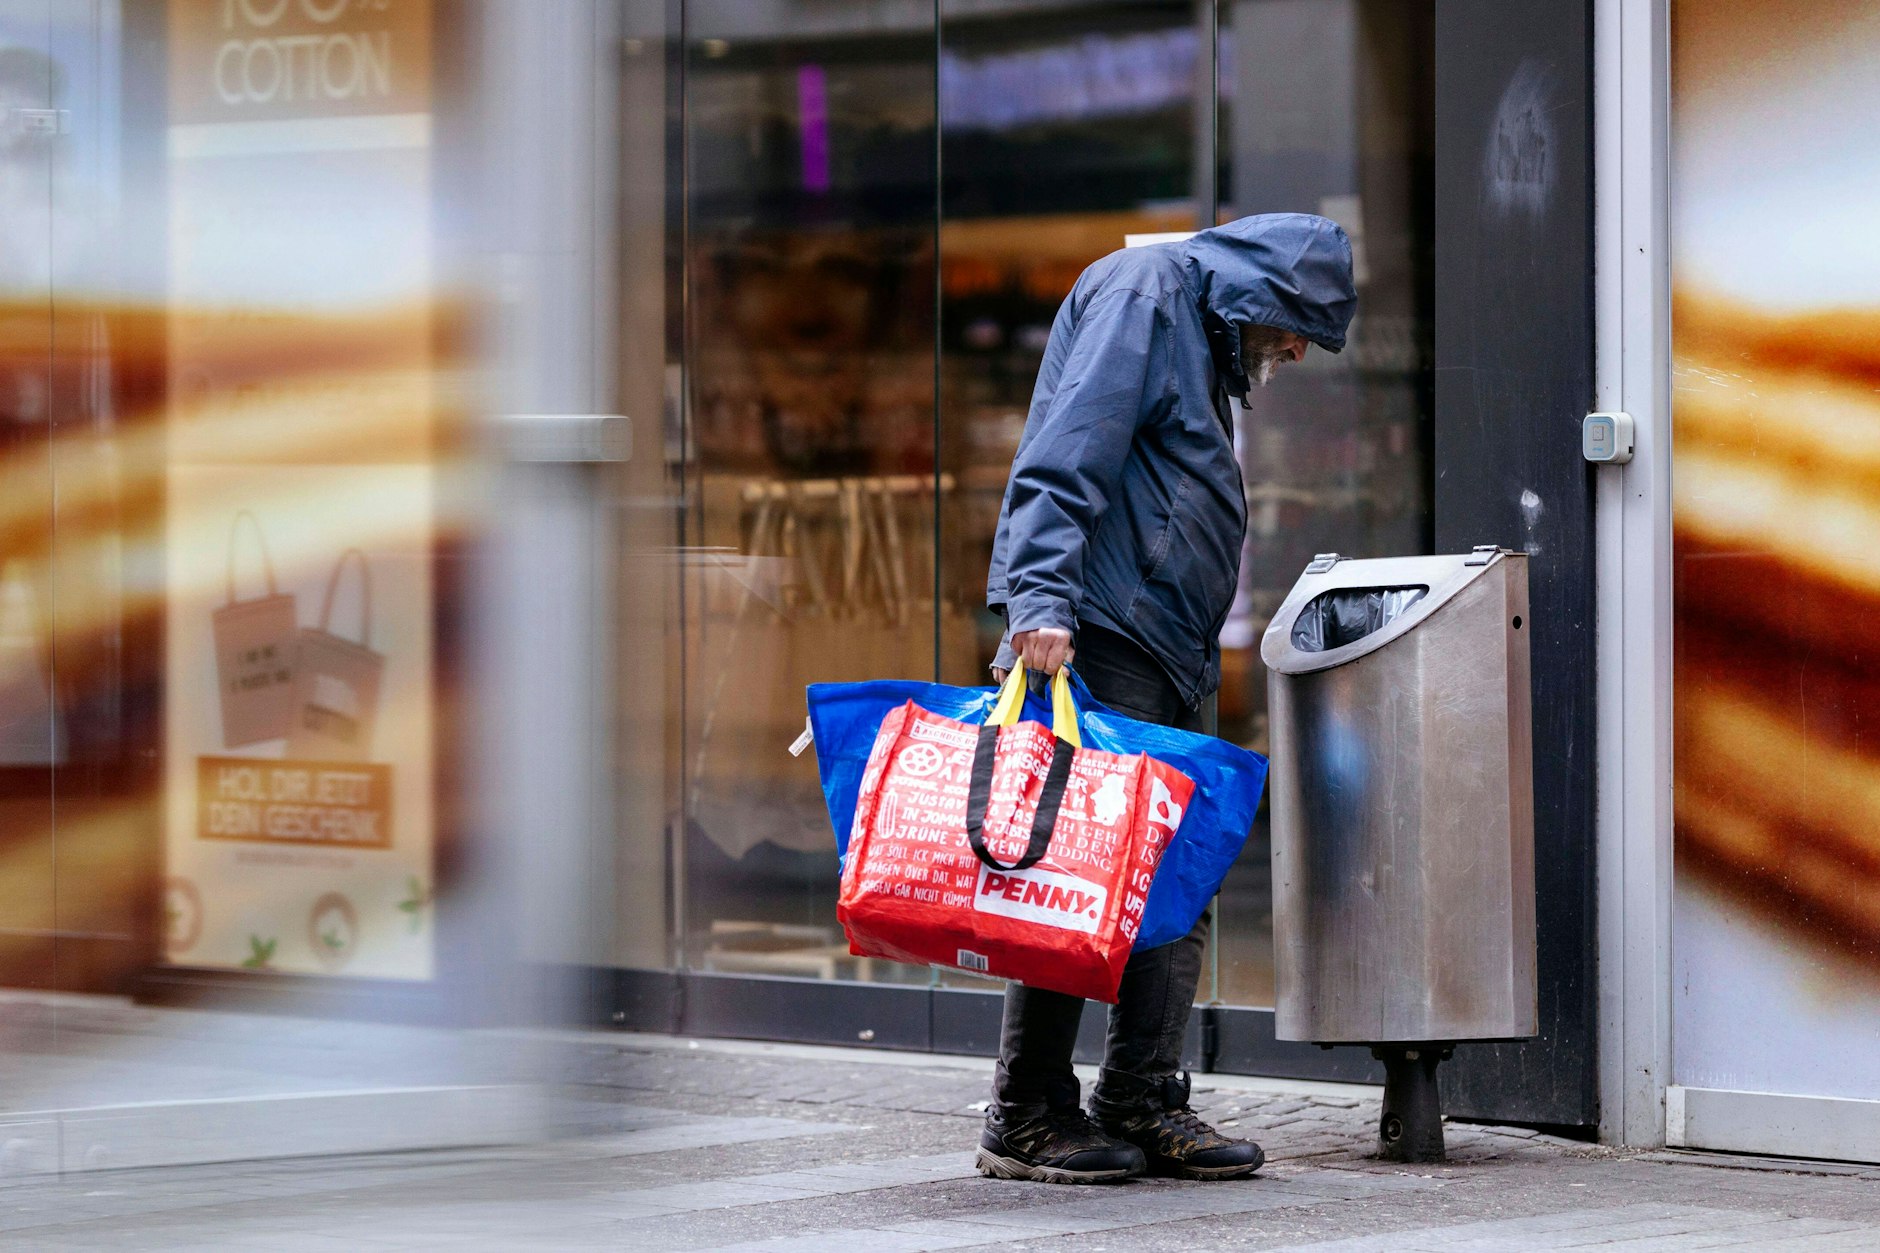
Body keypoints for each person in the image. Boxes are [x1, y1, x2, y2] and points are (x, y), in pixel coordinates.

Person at [976, 213, 1357, 1184]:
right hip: (1101, 630)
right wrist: (1039, 597)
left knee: (1171, 878)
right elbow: (1065, 450)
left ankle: (1140, 1095)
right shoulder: (1146, 296)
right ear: (1263, 296)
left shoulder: (1198, 329)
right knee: (1076, 873)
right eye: (1296, 325)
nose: (1296, 349)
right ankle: (1025, 1110)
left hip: (1164, 643)